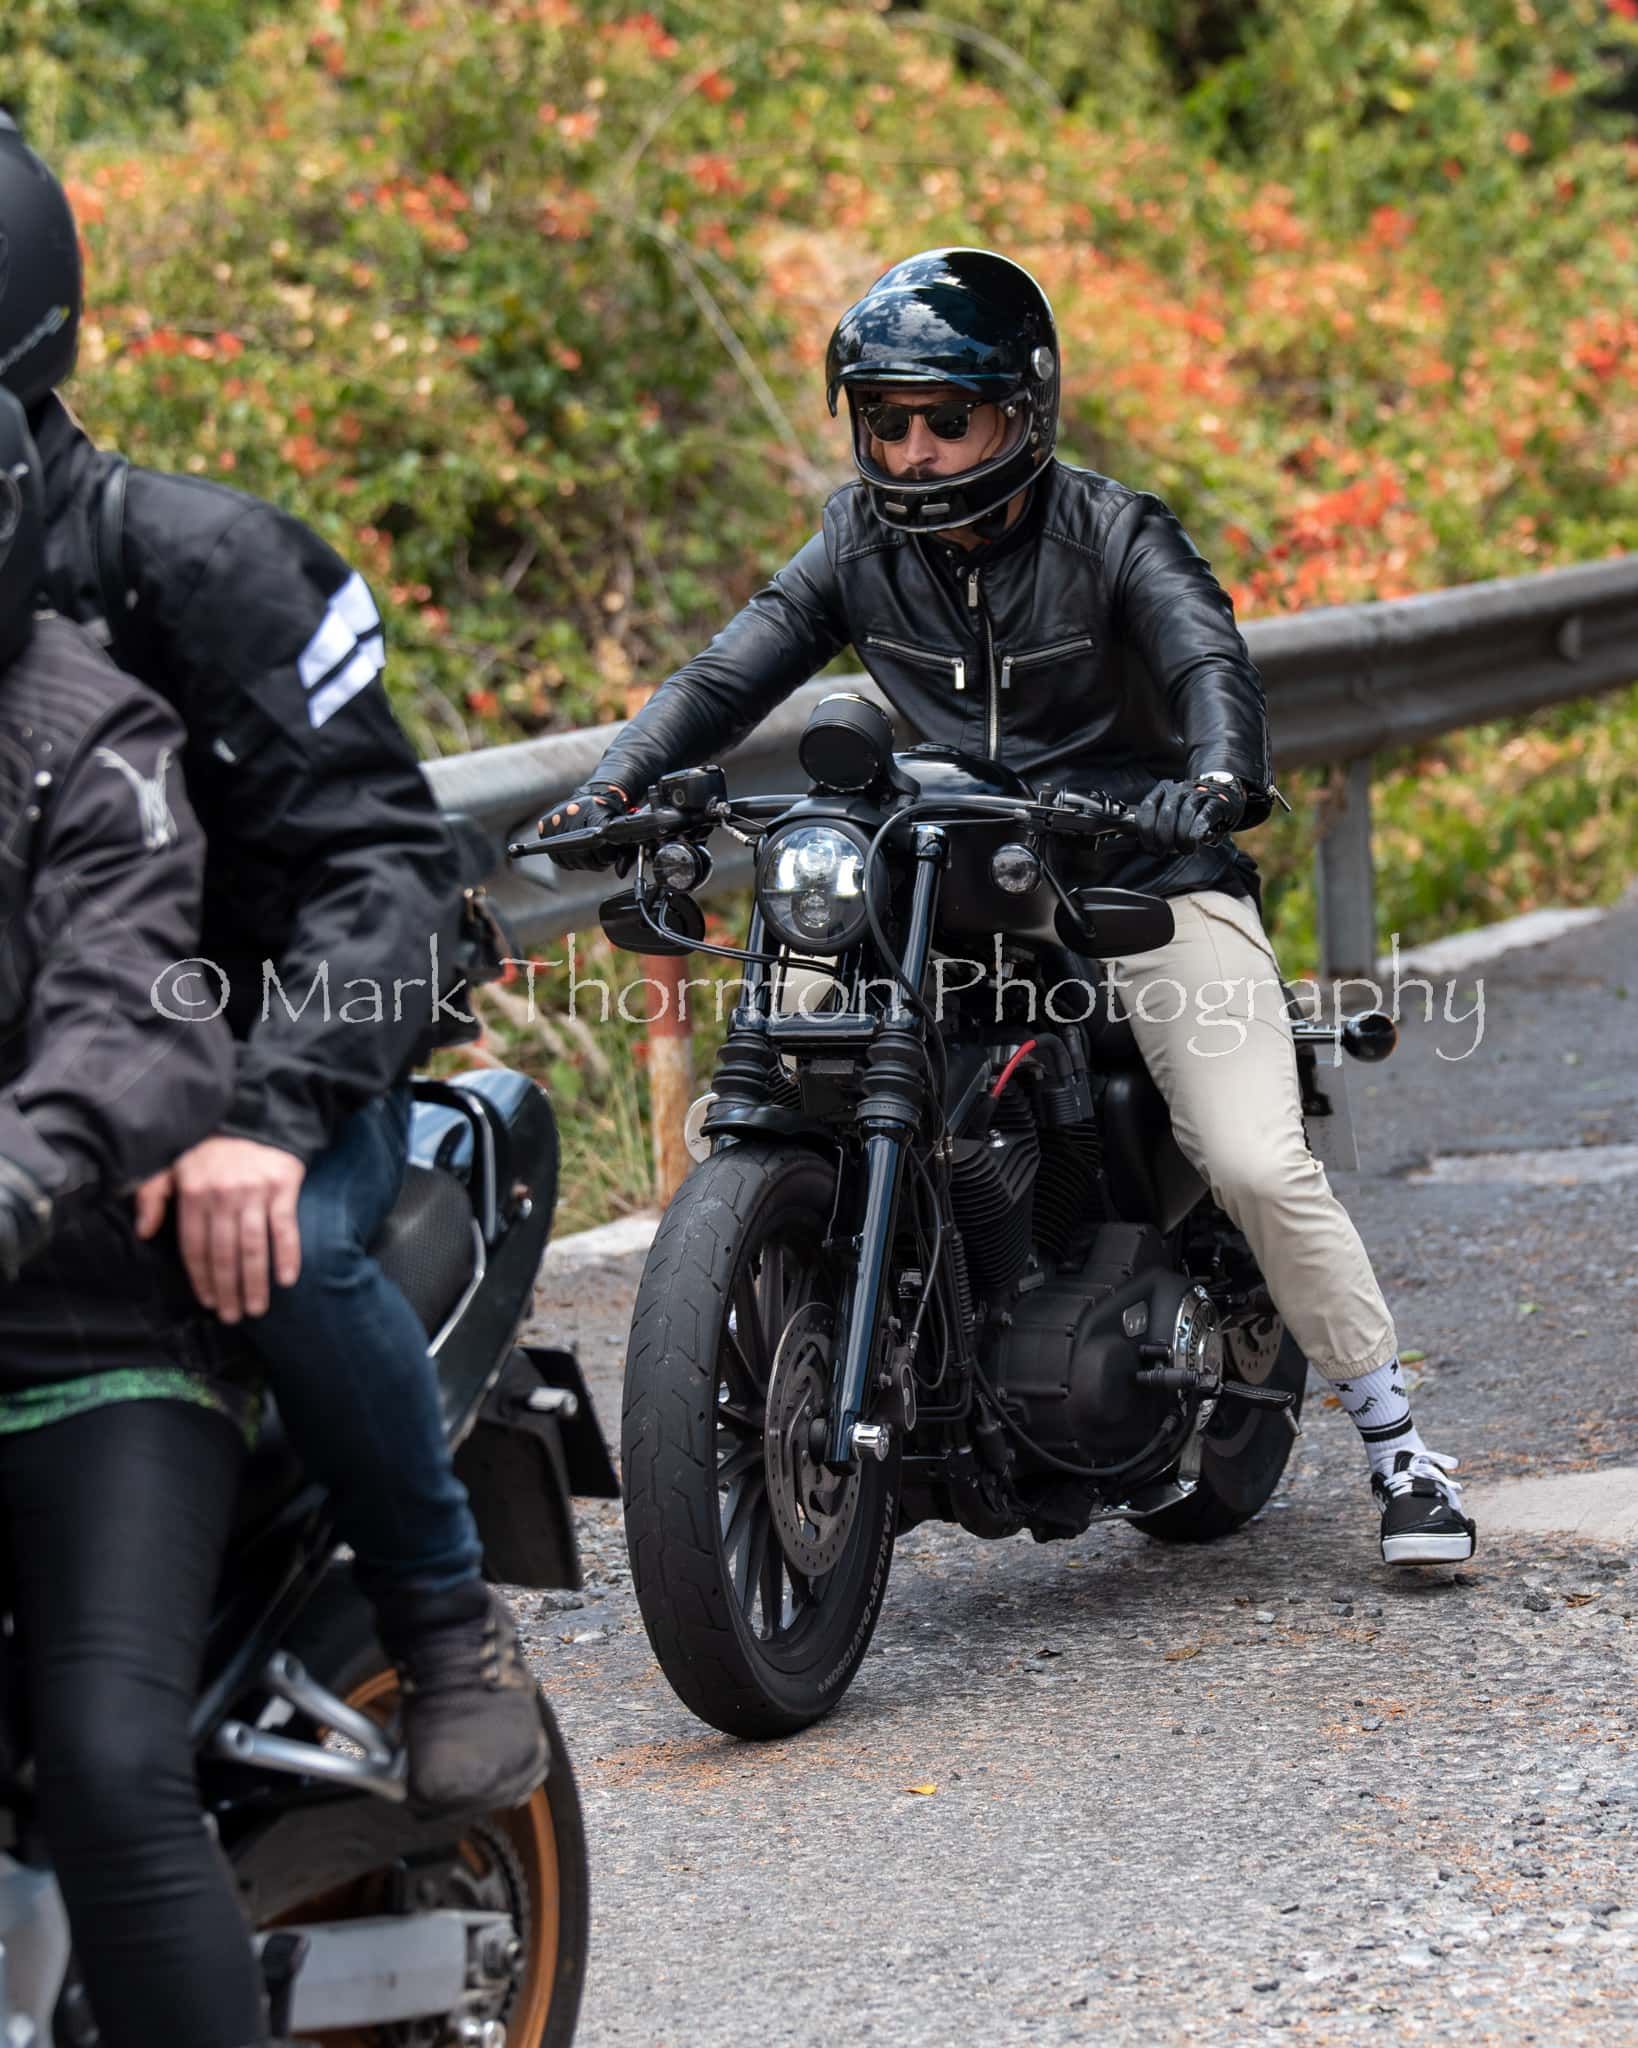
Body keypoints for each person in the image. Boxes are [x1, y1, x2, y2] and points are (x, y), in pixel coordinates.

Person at [542, 246, 1476, 1567]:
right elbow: (728, 667)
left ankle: (1398, 1449)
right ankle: (824, 1314)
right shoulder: (850, 541)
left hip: (1133, 873)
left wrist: (1208, 781)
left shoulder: (1113, 531)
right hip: (935, 869)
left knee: (1253, 1158)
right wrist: (614, 785)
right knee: (770, 1085)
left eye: (944, 419)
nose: (913, 449)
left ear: (1019, 414)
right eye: (886, 421)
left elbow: (1201, 651)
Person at [0, 111, 545, 1808]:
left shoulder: (203, 564)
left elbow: (384, 866)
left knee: (283, 1247)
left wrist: (262, 1109)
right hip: (50, 1086)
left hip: (267, 1055)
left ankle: (445, 1624)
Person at [0, 384, 275, 2047]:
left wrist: (32, 1164)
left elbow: (129, 1002)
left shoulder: (86, 738)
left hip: (92, 1334)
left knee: (104, 1764)